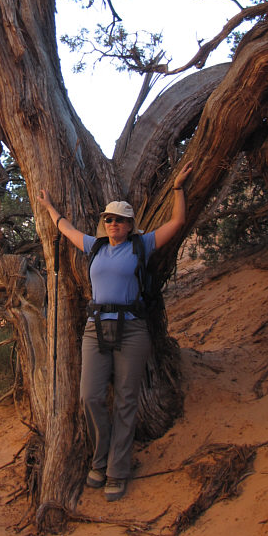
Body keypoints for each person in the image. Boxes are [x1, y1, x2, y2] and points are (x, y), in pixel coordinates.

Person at [38, 161, 192, 502]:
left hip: (133, 328)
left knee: (125, 400)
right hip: (95, 329)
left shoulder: (142, 245)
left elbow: (178, 222)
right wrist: (49, 208)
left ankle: (117, 471)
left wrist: (178, 188)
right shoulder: (94, 246)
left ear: (130, 225)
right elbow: (65, 228)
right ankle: (99, 458)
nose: (113, 224)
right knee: (90, 396)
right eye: (109, 219)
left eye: (119, 220)